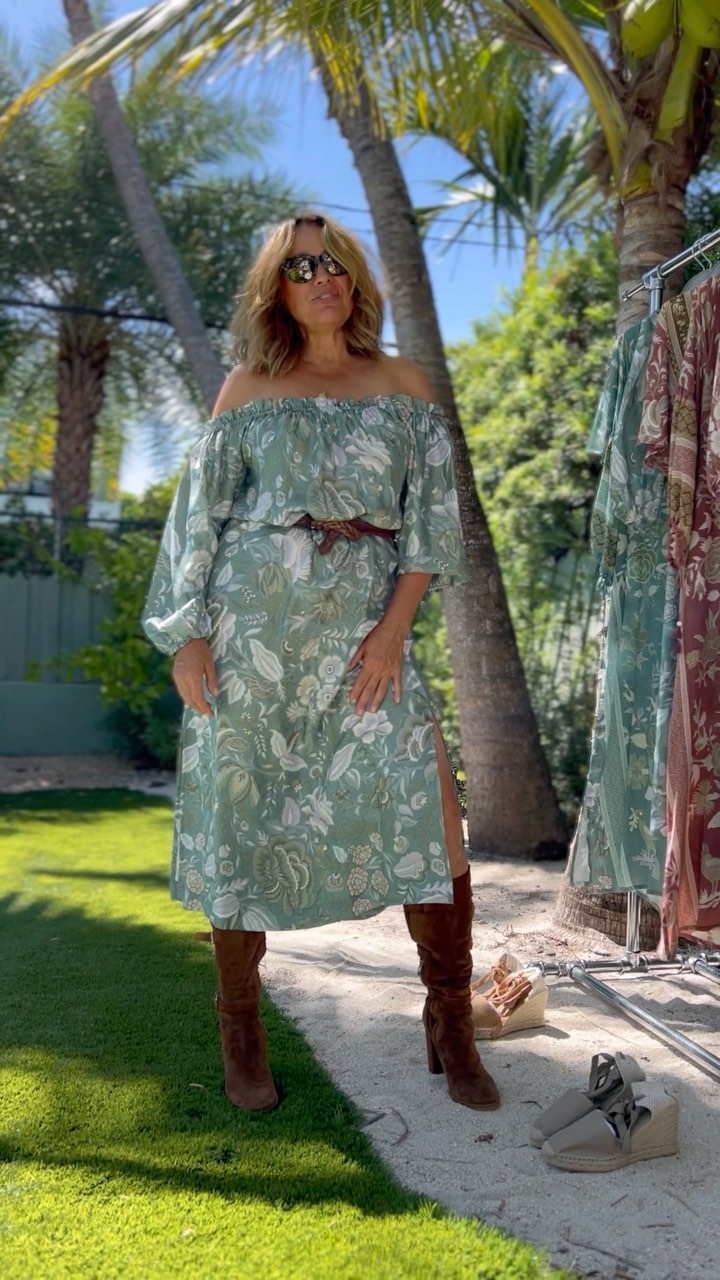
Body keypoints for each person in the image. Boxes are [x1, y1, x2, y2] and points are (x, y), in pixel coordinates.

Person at [142, 211, 500, 1115]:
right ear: (278, 287)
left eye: (333, 262)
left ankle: (450, 1021)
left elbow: (432, 525)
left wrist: (392, 631)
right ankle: (240, 1028)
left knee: (434, 817)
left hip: (367, 641)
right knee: (241, 819)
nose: (321, 277)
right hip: (253, 640)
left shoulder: (403, 383)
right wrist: (187, 634)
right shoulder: (247, 388)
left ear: (355, 279)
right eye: (300, 267)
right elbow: (197, 519)